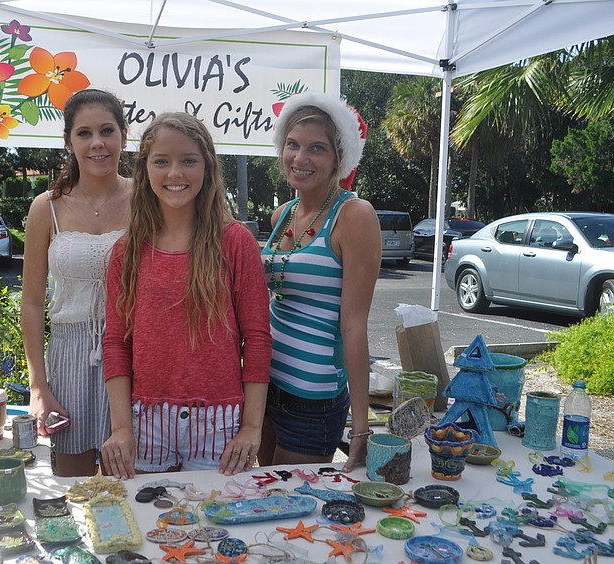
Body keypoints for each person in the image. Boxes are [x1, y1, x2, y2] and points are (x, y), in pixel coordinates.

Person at [101, 112, 272, 480]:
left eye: (188, 161)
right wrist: (121, 428)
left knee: (214, 528)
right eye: (161, 161)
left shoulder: (236, 242)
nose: (174, 173)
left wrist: (252, 426)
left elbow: (257, 339)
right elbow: (116, 342)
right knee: (152, 527)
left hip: (219, 423)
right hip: (145, 420)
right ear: (144, 169)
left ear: (207, 168)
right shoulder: (126, 251)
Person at [257, 92, 381, 472]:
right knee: (264, 492)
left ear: (339, 158)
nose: (301, 158)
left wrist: (360, 426)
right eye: (292, 145)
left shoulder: (355, 216)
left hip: (313, 399)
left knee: (288, 502)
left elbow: (355, 323)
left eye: (317, 149)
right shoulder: (283, 213)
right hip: (265, 386)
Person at [21, 89, 132, 477]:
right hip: (69, 357)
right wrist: (39, 387)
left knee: (134, 482)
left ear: (124, 135)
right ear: (68, 142)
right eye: (84, 133)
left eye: (107, 130)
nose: (97, 143)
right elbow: (32, 302)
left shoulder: (148, 199)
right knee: (74, 486)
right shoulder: (46, 207)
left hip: (134, 353)